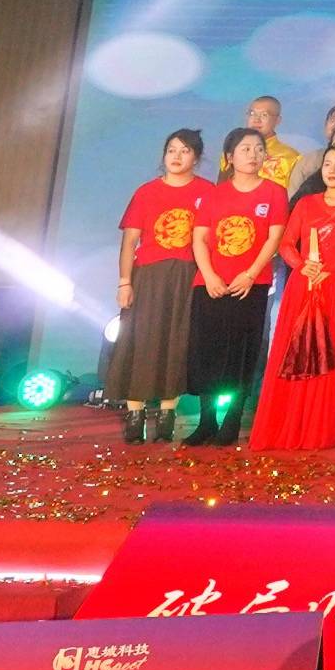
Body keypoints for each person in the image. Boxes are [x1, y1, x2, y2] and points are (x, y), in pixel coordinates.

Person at [251, 141, 335, 450]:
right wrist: (301, 265)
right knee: (295, 353)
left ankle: (321, 427)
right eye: (328, 164)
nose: (332, 170)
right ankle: (289, 423)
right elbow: (286, 244)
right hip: (304, 284)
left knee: (328, 353)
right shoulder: (306, 204)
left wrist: (334, 266)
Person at [106, 128, 209, 446]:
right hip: (148, 276)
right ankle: (135, 415)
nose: (177, 156)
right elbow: (129, 243)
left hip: (187, 276)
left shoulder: (207, 191)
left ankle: (167, 414)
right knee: (140, 340)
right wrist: (125, 282)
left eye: (185, 151)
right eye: (171, 150)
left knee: (177, 342)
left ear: (196, 157)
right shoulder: (147, 192)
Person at [184, 129, 285, 444]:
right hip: (211, 284)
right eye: (245, 149)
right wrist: (210, 275)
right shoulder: (214, 194)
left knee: (243, 352)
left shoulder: (274, 192)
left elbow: (274, 238)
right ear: (229, 157)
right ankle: (207, 422)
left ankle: (233, 420)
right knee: (208, 350)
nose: (253, 154)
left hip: (251, 285)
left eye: (258, 149)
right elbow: (199, 239)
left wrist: (251, 274)